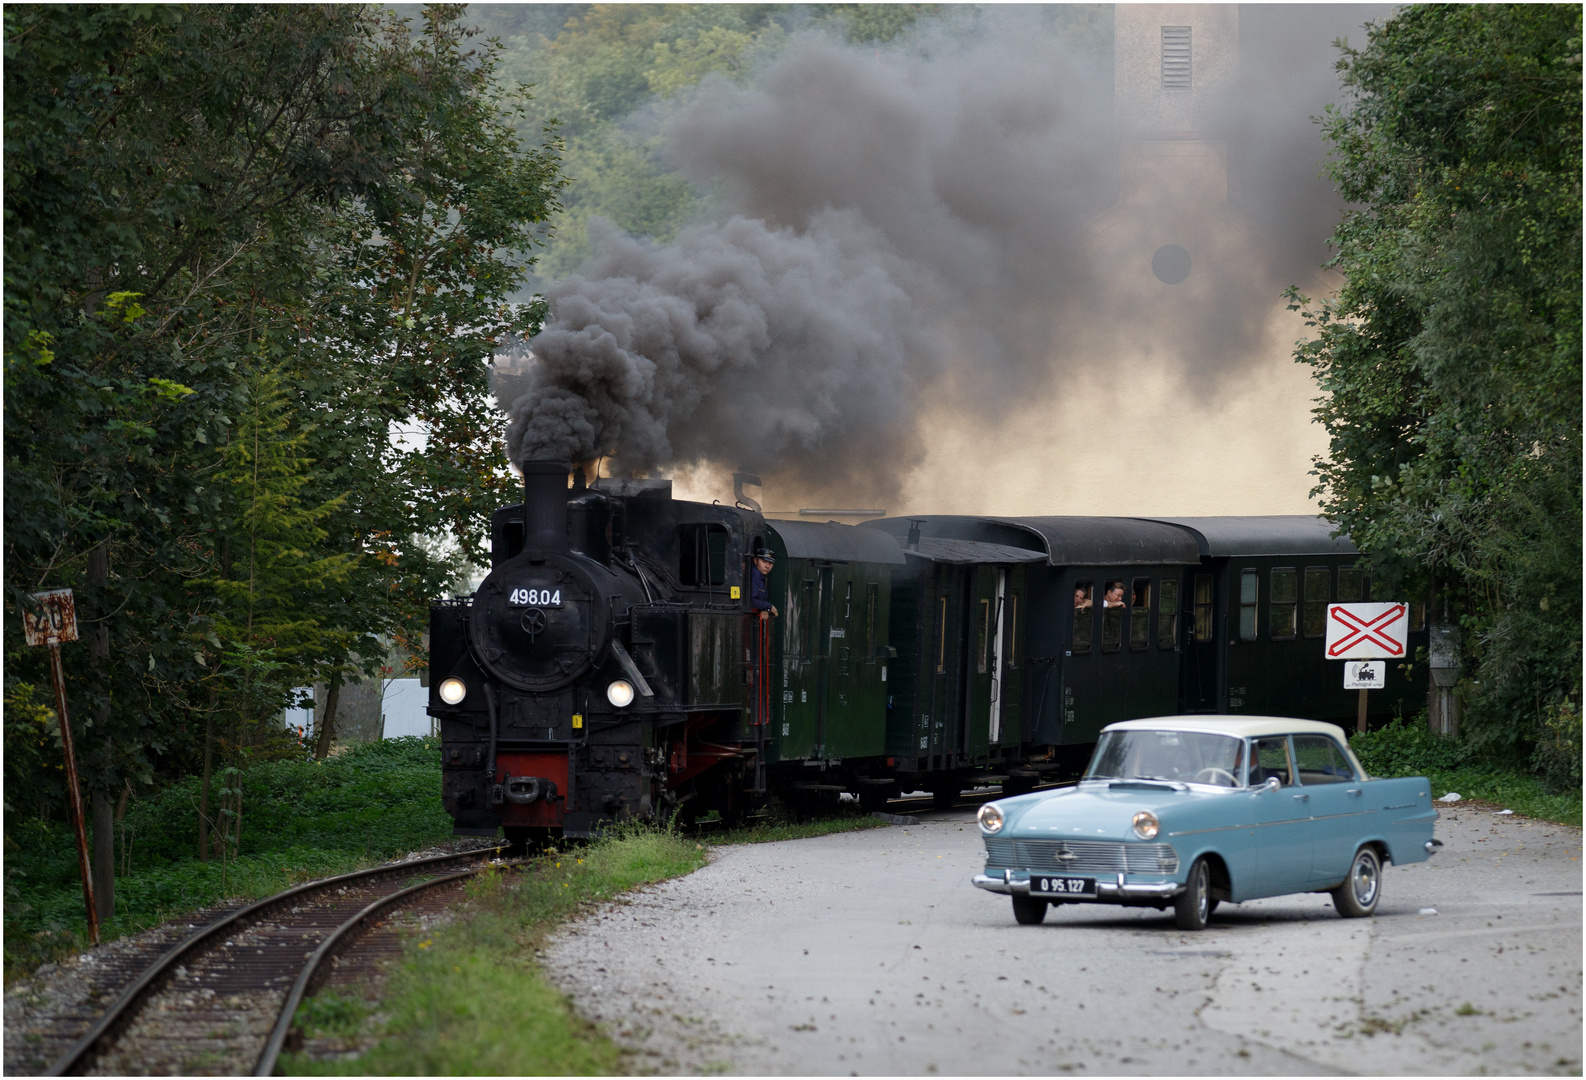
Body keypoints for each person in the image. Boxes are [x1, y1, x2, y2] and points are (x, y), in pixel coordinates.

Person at [749, 549, 779, 617]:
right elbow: (750, 601)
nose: (767, 566)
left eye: (770, 563)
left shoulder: (760, 576)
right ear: (756, 560)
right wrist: (769, 607)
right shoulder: (755, 574)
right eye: (764, 561)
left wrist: (764, 609)